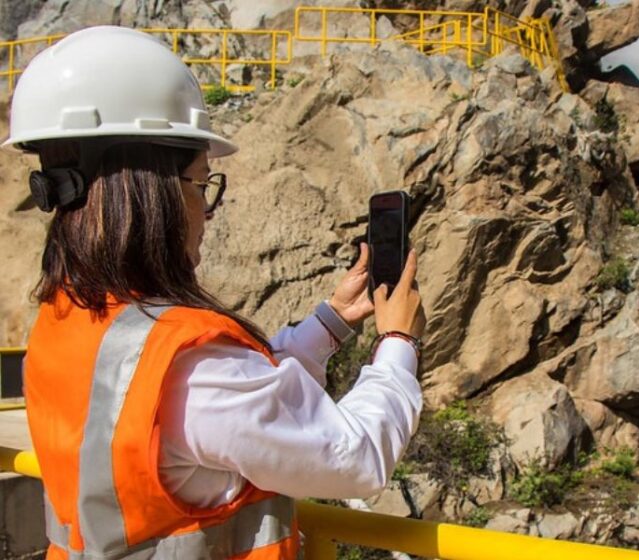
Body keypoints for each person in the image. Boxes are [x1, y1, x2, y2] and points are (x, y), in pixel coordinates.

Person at [6, 26, 425, 559]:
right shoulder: (191, 364)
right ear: (149, 192)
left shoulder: (67, 320)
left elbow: (217, 406)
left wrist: (330, 324)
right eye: (202, 184)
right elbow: (355, 458)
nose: (206, 210)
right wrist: (398, 343)